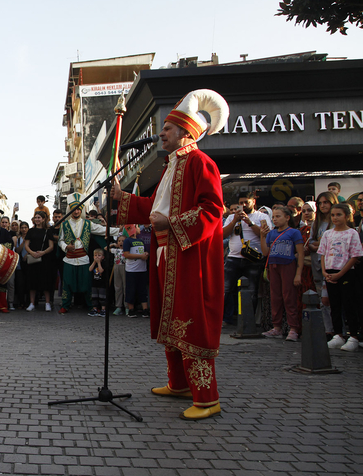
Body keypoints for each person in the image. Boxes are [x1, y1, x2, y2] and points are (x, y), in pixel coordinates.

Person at [111, 89, 229, 420]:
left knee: (192, 323)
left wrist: (172, 222)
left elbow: (212, 210)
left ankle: (207, 398)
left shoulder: (200, 162)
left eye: (167, 128)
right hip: (168, 253)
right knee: (171, 321)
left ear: (186, 132)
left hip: (190, 256)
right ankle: (178, 384)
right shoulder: (172, 166)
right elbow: (154, 207)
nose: (161, 133)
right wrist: (123, 198)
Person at [222, 190, 272, 323]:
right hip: (233, 258)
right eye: (241, 203)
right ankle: (222, 319)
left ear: (253, 202)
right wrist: (235, 221)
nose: (243, 205)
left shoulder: (262, 217)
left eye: (246, 202)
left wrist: (249, 222)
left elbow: (266, 235)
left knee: (251, 291)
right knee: (225, 290)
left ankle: (247, 322)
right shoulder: (231, 217)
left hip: (253, 259)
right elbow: (222, 235)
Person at [320, 204, 363, 351]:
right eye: (333, 215)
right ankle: (338, 334)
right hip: (330, 271)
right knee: (334, 305)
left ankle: (354, 336)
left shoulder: (352, 233)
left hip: (346, 271)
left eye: (339, 214)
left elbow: (355, 255)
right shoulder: (327, 234)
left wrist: (340, 273)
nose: (335, 218)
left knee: (349, 304)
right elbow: (323, 253)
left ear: (346, 216)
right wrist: (325, 272)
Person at [58, 193, 109, 314]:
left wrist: (121, 230)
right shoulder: (64, 224)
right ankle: (65, 305)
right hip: (69, 259)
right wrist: (66, 247)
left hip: (83, 259)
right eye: (74, 209)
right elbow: (60, 241)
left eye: (78, 209)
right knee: (68, 284)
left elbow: (101, 230)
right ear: (70, 210)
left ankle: (91, 305)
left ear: (81, 210)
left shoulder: (87, 223)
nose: (76, 212)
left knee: (86, 283)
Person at [259, 206, 304, 341]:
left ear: (287, 218)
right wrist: (262, 236)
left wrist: (298, 273)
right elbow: (265, 252)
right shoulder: (271, 233)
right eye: (274, 217)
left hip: (288, 265)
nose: (275, 219)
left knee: (289, 296)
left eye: (278, 216)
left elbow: (300, 254)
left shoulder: (294, 232)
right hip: (273, 266)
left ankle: (293, 328)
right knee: (275, 297)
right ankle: (277, 327)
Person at [309, 191, 339, 336]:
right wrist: (318, 244)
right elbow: (311, 242)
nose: (322, 206)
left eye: (326, 202)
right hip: (318, 264)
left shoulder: (337, 222)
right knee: (322, 300)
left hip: (334, 265)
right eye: (320, 203)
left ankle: (339, 330)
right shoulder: (317, 223)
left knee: (333, 300)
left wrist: (322, 244)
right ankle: (328, 330)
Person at [24, 211, 55, 311]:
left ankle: (47, 303)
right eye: (36, 217)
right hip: (33, 258)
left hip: (45, 259)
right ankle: (32, 303)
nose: (37, 219)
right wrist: (32, 253)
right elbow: (26, 245)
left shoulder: (48, 231)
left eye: (39, 217)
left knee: (45, 282)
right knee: (32, 282)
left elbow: (51, 246)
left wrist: (43, 252)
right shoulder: (31, 231)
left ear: (43, 219)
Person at [123, 230, 149, 317]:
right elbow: (126, 254)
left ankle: (145, 309)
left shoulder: (141, 240)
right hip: (132, 270)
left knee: (142, 289)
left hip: (142, 269)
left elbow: (142, 251)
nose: (139, 229)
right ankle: (131, 309)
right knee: (131, 289)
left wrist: (145, 254)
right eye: (137, 227)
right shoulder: (127, 241)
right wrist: (140, 256)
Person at [87, 248, 108, 316]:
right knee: (94, 297)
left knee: (102, 297)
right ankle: (95, 309)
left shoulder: (103, 263)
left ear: (103, 257)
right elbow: (90, 269)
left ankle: (103, 309)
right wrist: (94, 262)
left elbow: (101, 271)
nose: (97, 257)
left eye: (99, 255)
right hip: (94, 283)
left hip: (102, 284)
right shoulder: (94, 263)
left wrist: (99, 263)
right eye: (95, 255)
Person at [109, 234, 127, 316]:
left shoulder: (127, 250)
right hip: (116, 267)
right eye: (119, 241)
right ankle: (118, 306)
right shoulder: (116, 250)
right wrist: (113, 244)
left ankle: (127, 306)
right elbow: (106, 248)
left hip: (125, 267)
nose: (121, 242)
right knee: (118, 286)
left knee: (126, 286)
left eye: (123, 241)